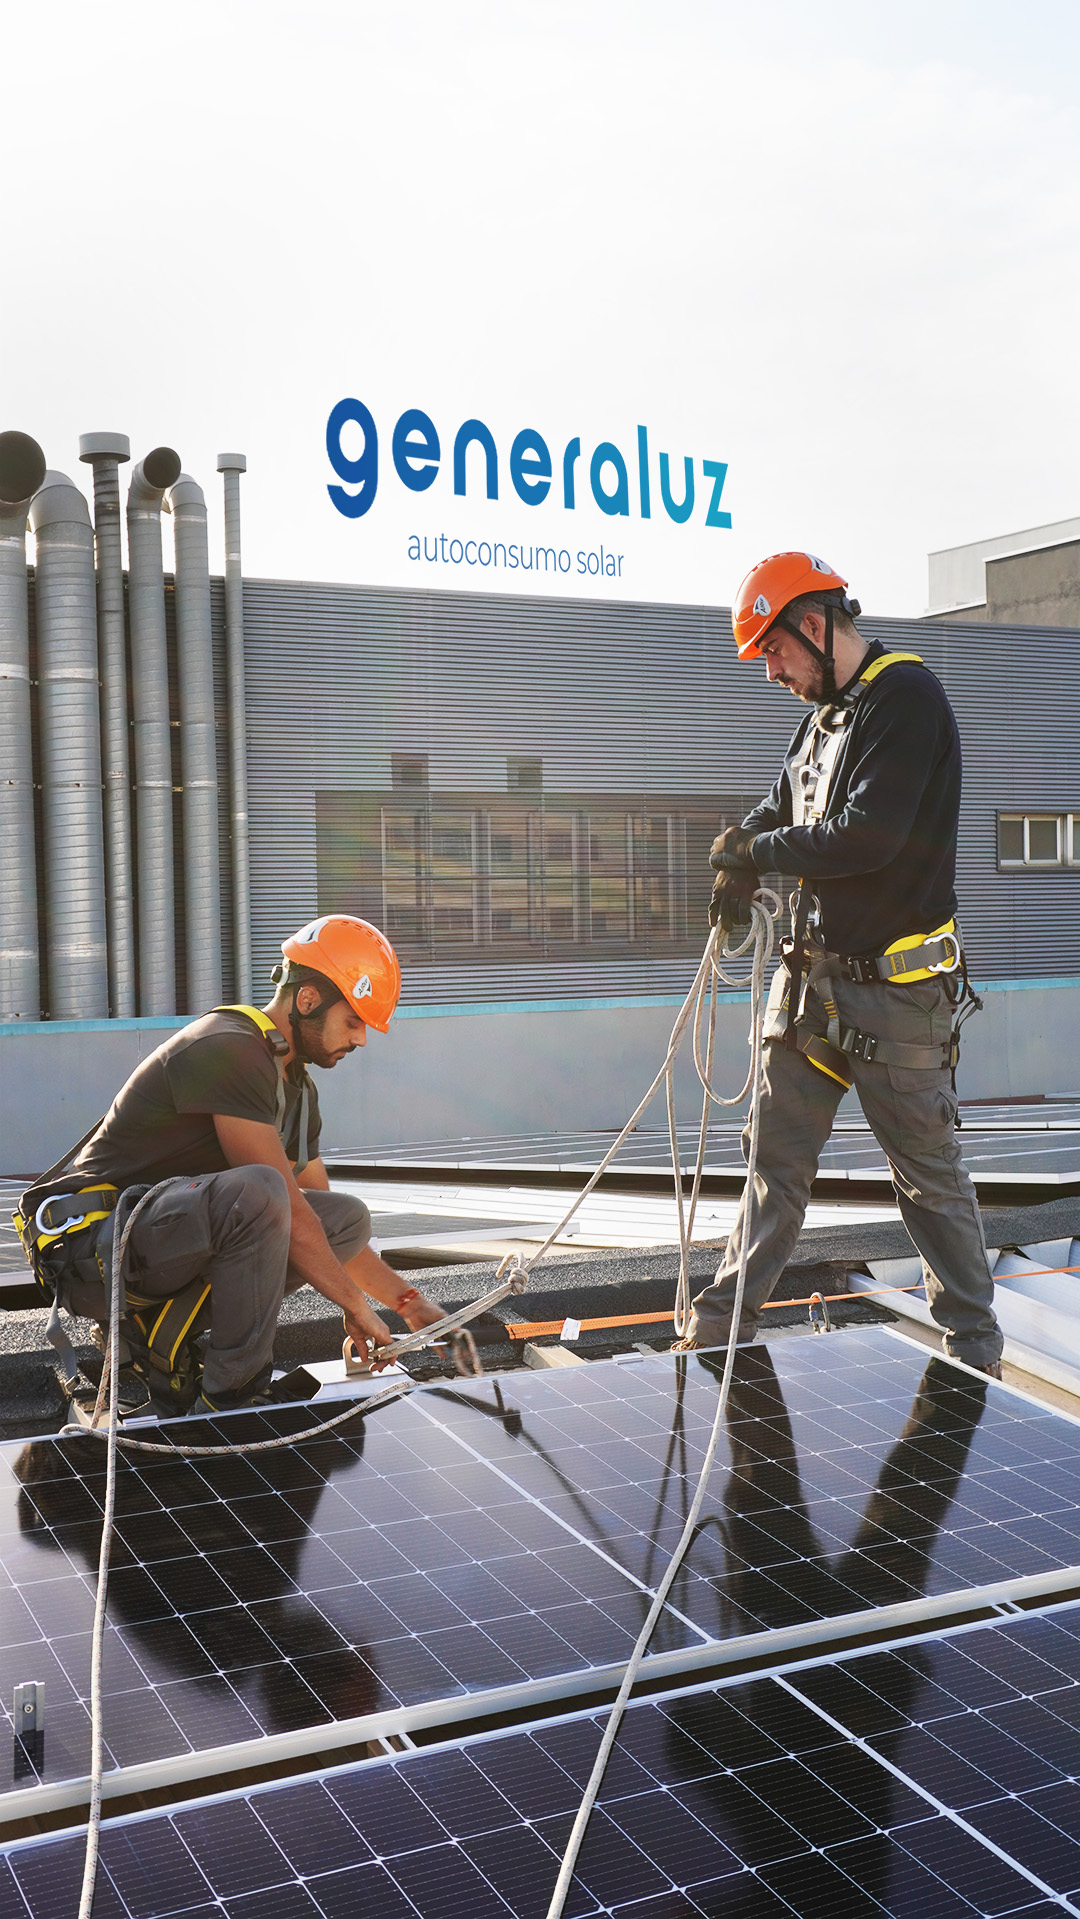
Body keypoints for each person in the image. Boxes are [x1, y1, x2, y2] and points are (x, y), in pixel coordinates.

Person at [676, 551, 1003, 1376]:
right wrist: (739, 860)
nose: (771, 671)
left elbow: (867, 837)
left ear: (815, 627)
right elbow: (783, 803)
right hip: (812, 985)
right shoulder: (824, 716)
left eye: (776, 652)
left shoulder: (906, 698)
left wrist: (759, 848)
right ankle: (718, 1330)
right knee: (771, 1164)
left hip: (895, 995)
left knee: (926, 1177)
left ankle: (974, 1353)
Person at [61, 914, 448, 1411]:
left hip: (159, 1253)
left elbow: (325, 1228)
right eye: (353, 1021)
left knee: (346, 1217)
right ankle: (233, 1395)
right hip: (96, 1253)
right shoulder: (230, 1047)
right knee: (266, 1191)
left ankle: (163, 1334)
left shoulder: (298, 1092)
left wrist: (408, 1303)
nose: (362, 1039)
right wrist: (353, 1305)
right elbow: (279, 1201)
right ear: (308, 999)